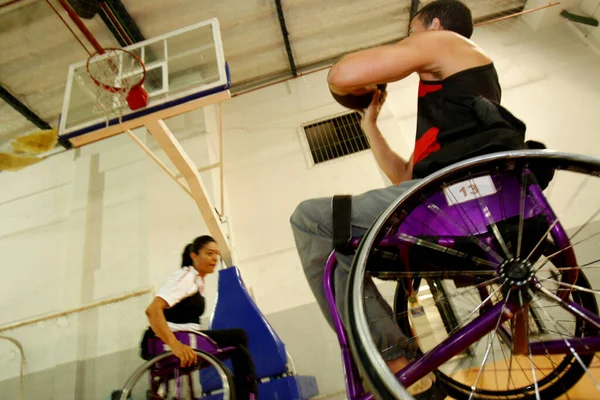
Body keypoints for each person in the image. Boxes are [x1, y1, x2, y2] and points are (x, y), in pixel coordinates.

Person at [290, 1, 527, 399]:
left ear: (433, 26)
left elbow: (342, 74)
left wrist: (364, 82)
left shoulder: (446, 42)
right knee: (344, 250)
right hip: (448, 196)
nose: (412, 42)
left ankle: (393, 360)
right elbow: (404, 178)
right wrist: (370, 124)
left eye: (413, 33)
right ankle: (394, 357)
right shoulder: (455, 104)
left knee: (310, 218)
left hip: (453, 200)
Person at [142, 235, 257, 399]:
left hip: (189, 336)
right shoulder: (185, 277)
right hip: (170, 340)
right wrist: (176, 346)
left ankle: (243, 393)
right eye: (209, 253)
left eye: (216, 254)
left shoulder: (198, 281)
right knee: (239, 338)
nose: (215, 258)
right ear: (194, 256)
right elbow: (152, 311)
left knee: (239, 348)